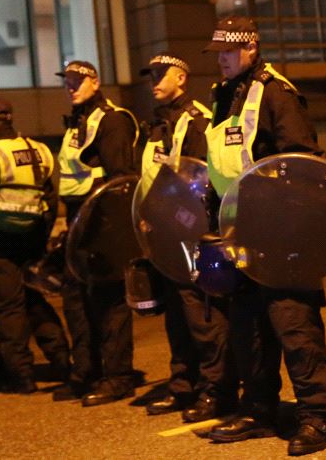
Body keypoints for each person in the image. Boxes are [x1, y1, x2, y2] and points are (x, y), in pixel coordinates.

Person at [203, 16, 326, 456]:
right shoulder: (223, 96)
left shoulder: (275, 92)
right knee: (248, 328)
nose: (221, 59)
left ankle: (317, 418)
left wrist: (290, 228)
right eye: (218, 52)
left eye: (229, 50)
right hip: (236, 230)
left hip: (278, 233)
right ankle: (259, 409)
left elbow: (302, 164)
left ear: (252, 47)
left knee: (293, 324)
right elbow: (220, 168)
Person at [137, 53, 237, 420]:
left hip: (189, 232)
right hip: (162, 236)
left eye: (162, 75)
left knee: (203, 317)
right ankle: (183, 386)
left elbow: (198, 181)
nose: (155, 82)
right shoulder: (158, 124)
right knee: (177, 318)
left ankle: (216, 391)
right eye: (152, 76)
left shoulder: (196, 121)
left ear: (182, 78)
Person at [0, 99, 70, 393]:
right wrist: (41, 235)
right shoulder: (39, 150)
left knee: (9, 309)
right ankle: (62, 361)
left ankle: (22, 376)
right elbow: (50, 200)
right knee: (36, 303)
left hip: (0, 244)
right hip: (33, 239)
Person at [54, 60, 139, 406]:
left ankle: (118, 376)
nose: (71, 87)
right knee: (76, 299)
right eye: (67, 82)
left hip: (102, 220)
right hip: (79, 219)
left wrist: (107, 230)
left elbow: (119, 179)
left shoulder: (111, 119)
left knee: (109, 302)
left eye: (77, 80)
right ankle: (86, 371)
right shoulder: (79, 121)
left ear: (95, 81)